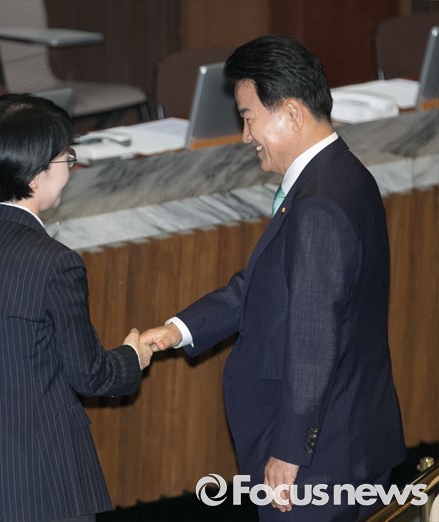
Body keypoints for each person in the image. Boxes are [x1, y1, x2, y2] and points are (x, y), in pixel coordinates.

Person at [140, 35, 405, 521]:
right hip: (349, 437)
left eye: (248, 117)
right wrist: (180, 329)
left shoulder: (319, 204)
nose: (245, 136)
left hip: (321, 461)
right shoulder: (345, 174)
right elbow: (271, 283)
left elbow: (313, 340)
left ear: (292, 113)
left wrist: (288, 451)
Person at [0, 93, 153, 522]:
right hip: (44, 481)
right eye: (66, 158)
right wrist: (132, 357)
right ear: (36, 174)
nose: (70, 169)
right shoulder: (54, 262)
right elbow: (90, 374)